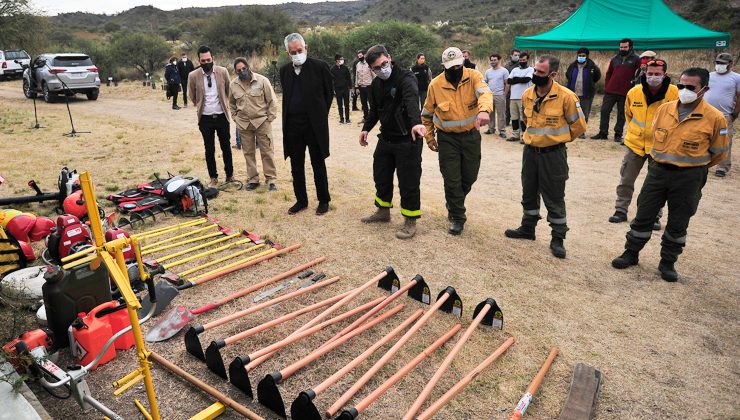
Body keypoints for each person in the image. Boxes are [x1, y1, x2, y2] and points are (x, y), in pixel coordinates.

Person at [611, 67, 729, 282]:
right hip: (658, 172)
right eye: (681, 86)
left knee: (678, 220)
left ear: (704, 89)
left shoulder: (715, 118)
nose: (684, 90)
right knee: (644, 214)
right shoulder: (664, 110)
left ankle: (667, 262)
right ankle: (631, 253)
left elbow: (719, 153)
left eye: (690, 87)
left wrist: (692, 165)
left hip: (689, 177)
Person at [504, 55, 587, 259]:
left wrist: (558, 140)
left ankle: (558, 238)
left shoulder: (567, 97)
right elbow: (525, 120)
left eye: (541, 73)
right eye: (535, 71)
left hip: (553, 155)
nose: (536, 75)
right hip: (530, 153)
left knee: (554, 196)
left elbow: (579, 126)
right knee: (529, 192)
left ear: (553, 74)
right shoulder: (527, 95)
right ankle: (527, 228)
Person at [422, 47, 492, 235]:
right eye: (450, 67)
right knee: (452, 179)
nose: (454, 70)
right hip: (447, 139)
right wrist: (429, 138)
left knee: (470, 176)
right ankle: (457, 216)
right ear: (443, 66)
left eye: (457, 66)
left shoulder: (474, 76)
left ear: (463, 63)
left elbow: (485, 93)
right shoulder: (435, 85)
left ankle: (453, 201)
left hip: (470, 137)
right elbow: (426, 115)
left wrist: (484, 110)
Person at [359, 45, 427, 239]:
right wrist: (366, 129)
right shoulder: (376, 85)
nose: (383, 69)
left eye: (384, 64)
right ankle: (383, 210)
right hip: (387, 138)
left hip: (408, 138)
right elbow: (374, 112)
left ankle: (410, 220)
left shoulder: (406, 78)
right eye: (377, 68)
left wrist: (415, 123)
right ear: (371, 69)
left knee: (408, 181)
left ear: (389, 57)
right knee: (380, 174)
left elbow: (411, 100)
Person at [608, 59, 677, 228]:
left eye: (657, 74)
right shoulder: (634, 92)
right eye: (650, 74)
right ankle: (620, 210)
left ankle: (653, 216)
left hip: (660, 146)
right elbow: (629, 115)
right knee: (626, 180)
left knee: (657, 185)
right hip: (635, 144)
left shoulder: (674, 93)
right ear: (645, 73)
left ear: (665, 75)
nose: (653, 77)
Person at [279, 33, 334, 215]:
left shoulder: (320, 67)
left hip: (314, 125)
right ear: (288, 53)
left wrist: (319, 116)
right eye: (293, 52)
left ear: (306, 48)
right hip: (293, 125)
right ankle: (301, 200)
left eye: (299, 50)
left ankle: (323, 200)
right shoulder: (284, 71)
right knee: (296, 165)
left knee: (317, 162)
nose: (297, 54)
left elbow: (328, 94)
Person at [228, 57, 278, 192]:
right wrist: (235, 118)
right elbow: (231, 103)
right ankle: (253, 179)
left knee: (267, 151)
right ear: (236, 71)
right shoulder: (233, 85)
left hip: (262, 122)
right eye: (239, 70)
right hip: (244, 124)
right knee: (248, 153)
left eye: (244, 68)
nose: (242, 71)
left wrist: (269, 118)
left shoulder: (262, 81)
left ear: (248, 67)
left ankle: (271, 179)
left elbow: (272, 100)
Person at [187, 46, 234, 187]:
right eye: (203, 60)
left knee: (226, 146)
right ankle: (213, 177)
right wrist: (202, 105)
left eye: (209, 59)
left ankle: (230, 175)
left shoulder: (223, 72)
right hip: (205, 118)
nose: (206, 62)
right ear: (199, 60)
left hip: (222, 116)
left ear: (213, 58)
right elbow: (192, 96)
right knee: (209, 149)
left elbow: (228, 90)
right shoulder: (193, 75)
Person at [592, 38, 640, 142]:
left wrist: (633, 88)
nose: (622, 49)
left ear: (630, 47)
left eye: (625, 47)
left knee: (621, 114)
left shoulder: (637, 59)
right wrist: (607, 86)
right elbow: (609, 73)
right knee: (604, 111)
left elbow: (638, 75)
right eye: (621, 47)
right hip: (611, 91)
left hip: (626, 92)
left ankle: (618, 134)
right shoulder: (615, 59)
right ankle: (602, 133)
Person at [705, 52, 739, 178]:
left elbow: (739, 97)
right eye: (717, 63)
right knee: (704, 138)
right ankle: (704, 162)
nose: (719, 65)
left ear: (730, 64)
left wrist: (734, 114)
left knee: (725, 140)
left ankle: (723, 167)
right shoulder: (708, 75)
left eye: (722, 63)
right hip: (707, 114)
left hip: (725, 115)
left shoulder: (736, 78)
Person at [565, 47, 601, 128]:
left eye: (583, 55)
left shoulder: (592, 66)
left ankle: (581, 131)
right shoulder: (572, 65)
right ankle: (572, 128)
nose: (581, 57)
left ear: (587, 56)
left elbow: (597, 77)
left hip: (586, 95)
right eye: (579, 55)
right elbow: (568, 75)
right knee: (571, 112)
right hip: (573, 94)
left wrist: (589, 84)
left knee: (584, 113)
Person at [507, 52, 533, 142]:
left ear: (527, 60)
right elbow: (509, 81)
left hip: (524, 97)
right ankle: (515, 134)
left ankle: (524, 136)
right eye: (521, 60)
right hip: (513, 97)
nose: (522, 61)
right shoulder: (514, 70)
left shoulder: (531, 69)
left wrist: (516, 79)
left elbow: (527, 79)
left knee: (523, 118)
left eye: (524, 60)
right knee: (514, 117)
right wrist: (519, 79)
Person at [483, 54, 509, 138]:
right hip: (489, 96)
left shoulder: (504, 71)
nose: (493, 62)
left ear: (499, 60)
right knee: (490, 113)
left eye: (495, 60)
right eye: (491, 60)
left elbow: (507, 83)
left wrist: (504, 94)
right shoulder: (488, 71)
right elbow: (485, 83)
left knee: (501, 114)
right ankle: (491, 129)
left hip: (500, 95)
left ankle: (502, 130)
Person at [330, 54, 352, 125]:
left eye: (342, 59)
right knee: (340, 105)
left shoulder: (345, 68)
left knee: (346, 104)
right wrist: (333, 89)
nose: (342, 60)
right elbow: (331, 80)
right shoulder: (332, 69)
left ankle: (348, 119)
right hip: (337, 89)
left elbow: (349, 78)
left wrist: (350, 87)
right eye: (340, 59)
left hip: (346, 89)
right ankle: (341, 119)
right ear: (337, 60)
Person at [355, 49, 373, 123]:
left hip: (369, 86)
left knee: (371, 103)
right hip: (361, 87)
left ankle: (372, 118)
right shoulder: (357, 65)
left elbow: (374, 75)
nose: (359, 57)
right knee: (364, 103)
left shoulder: (369, 63)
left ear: (365, 55)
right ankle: (365, 117)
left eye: (361, 56)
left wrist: (376, 85)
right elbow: (356, 76)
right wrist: (356, 87)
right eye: (358, 56)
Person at [504, 49, 521, 126]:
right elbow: (505, 79)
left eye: (518, 55)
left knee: (519, 107)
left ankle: (519, 122)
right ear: (511, 56)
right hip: (509, 89)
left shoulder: (521, 65)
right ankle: (507, 121)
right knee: (507, 106)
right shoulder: (507, 66)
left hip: (519, 89)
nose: (517, 57)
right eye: (515, 55)